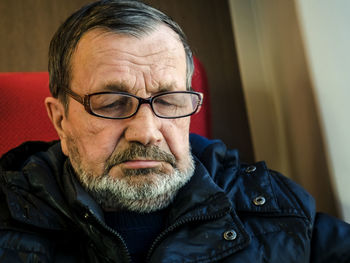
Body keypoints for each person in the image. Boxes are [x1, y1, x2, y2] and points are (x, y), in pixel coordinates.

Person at [0, 0, 350, 262]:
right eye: (111, 103)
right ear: (60, 120)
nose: (147, 132)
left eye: (168, 101)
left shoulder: (274, 205)